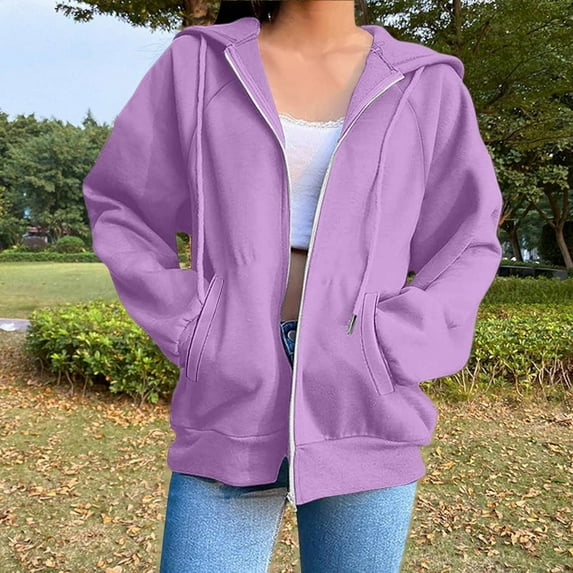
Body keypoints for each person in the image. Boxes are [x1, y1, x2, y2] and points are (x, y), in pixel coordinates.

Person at [82, 0, 504, 571]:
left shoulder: (426, 84)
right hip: (230, 397)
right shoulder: (200, 64)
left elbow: (468, 238)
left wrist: (397, 340)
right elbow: (123, 205)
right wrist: (193, 325)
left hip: (364, 402)